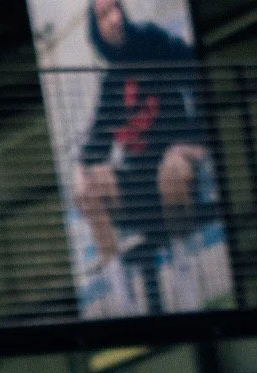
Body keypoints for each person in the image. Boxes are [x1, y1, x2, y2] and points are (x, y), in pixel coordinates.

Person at [74, 0, 209, 266]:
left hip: (177, 162)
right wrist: (80, 173)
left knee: (172, 170)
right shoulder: (112, 84)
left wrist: (193, 144)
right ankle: (114, 268)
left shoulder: (151, 42)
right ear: (97, 30)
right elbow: (95, 144)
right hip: (140, 185)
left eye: (115, 9)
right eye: (104, 15)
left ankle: (184, 257)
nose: (114, 19)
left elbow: (199, 74)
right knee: (88, 186)